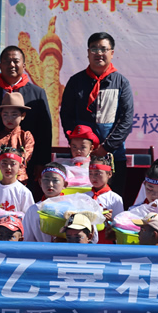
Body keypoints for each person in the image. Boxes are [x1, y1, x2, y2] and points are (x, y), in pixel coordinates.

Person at [0, 46, 52, 197]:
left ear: (24, 65)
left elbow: (45, 131)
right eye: (7, 61)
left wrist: (42, 163)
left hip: (26, 168)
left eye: (16, 61)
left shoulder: (37, 93)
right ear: (0, 65)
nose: (12, 65)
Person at [60, 32, 134, 195]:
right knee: (80, 200)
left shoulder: (121, 83)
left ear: (111, 53)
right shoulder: (75, 82)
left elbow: (126, 119)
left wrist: (105, 148)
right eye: (94, 49)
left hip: (112, 157)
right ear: (88, 53)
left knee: (111, 202)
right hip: (81, 158)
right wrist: (79, 144)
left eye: (103, 49)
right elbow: (66, 115)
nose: (98, 53)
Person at [23, 162, 69, 242]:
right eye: (46, 180)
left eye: (55, 180)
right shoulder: (34, 209)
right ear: (40, 182)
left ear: (64, 184)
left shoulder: (70, 208)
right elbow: (28, 238)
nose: (50, 184)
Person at [0, 147, 34, 213]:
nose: (8, 167)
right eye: (4, 163)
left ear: (20, 166)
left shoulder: (24, 192)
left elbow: (30, 216)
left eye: (13, 164)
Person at [88, 154, 124, 221]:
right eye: (90, 173)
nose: (93, 177)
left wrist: (110, 220)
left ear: (109, 174)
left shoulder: (115, 199)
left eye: (97, 173)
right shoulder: (84, 196)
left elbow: (119, 223)